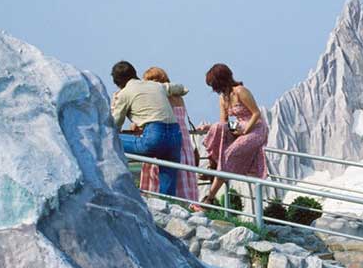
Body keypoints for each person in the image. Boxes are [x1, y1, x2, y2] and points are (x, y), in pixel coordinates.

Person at [111, 61, 187, 196]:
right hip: (175, 136)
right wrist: (182, 90)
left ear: (118, 82)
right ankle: (168, 208)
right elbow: (180, 88)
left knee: (111, 139)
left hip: (154, 137)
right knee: (168, 189)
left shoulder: (125, 93)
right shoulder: (156, 86)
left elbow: (115, 125)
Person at [198, 63, 268, 207]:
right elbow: (224, 123)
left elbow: (256, 113)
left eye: (213, 83)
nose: (213, 88)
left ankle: (209, 197)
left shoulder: (240, 91)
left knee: (229, 153)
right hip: (238, 126)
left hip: (255, 128)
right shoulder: (223, 98)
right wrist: (208, 127)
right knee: (218, 127)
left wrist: (245, 131)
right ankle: (213, 163)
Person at [140, 67, 199, 202]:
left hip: (164, 141)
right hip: (184, 144)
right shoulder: (178, 97)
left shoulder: (159, 98)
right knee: (182, 179)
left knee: (162, 176)